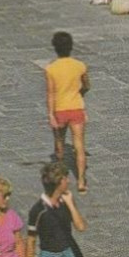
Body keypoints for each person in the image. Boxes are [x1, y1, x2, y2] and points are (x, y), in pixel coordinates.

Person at [44, 31, 90, 193]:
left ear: (55, 48)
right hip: (76, 108)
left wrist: (50, 114)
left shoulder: (51, 69)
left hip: (60, 110)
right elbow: (86, 85)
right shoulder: (80, 65)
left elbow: (51, 93)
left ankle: (61, 181)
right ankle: (82, 182)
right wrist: (80, 93)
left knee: (59, 147)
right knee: (79, 146)